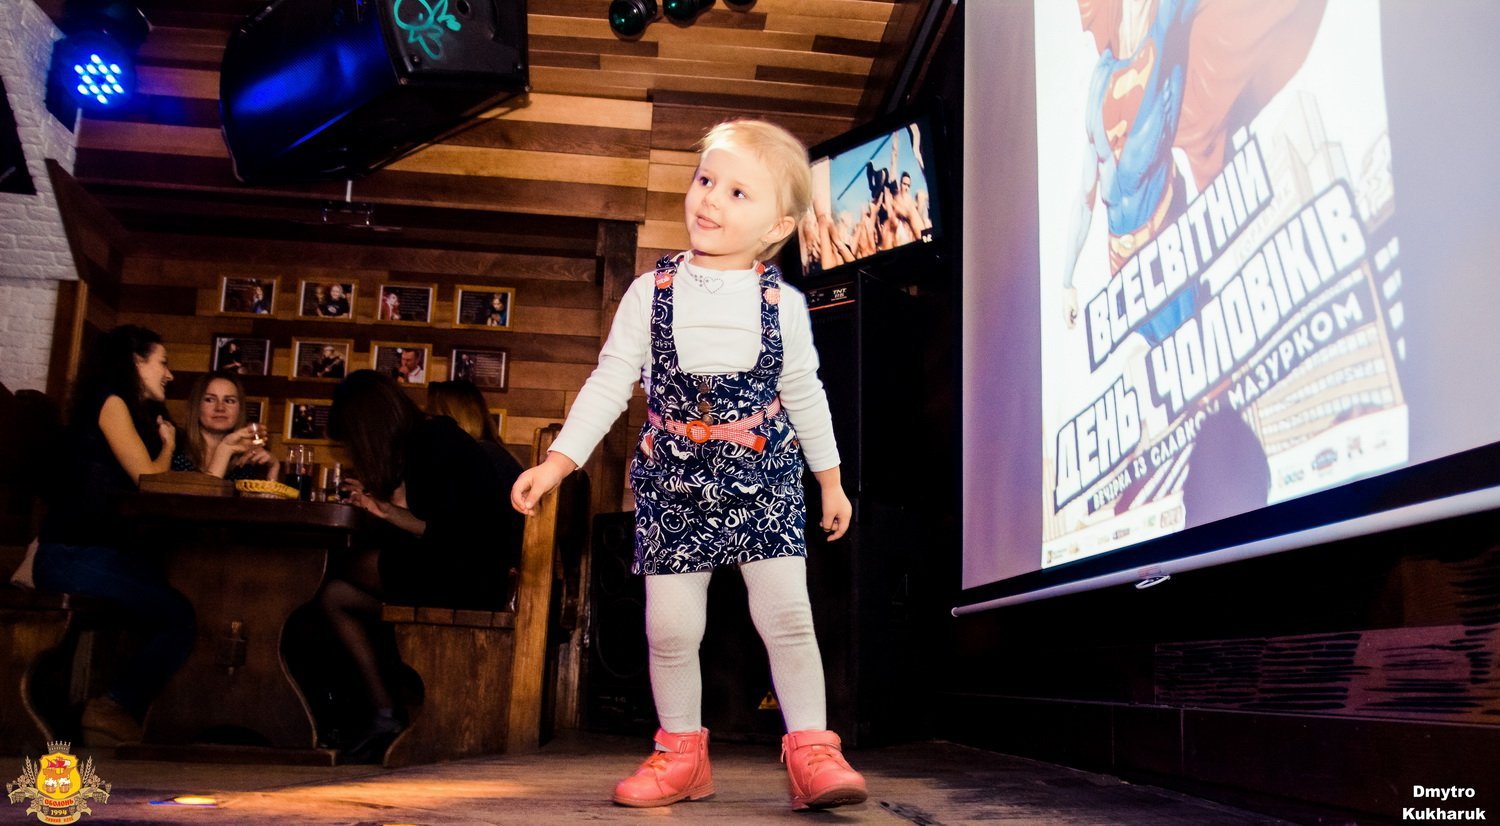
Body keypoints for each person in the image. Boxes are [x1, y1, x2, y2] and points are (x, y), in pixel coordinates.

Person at [511, 119, 867, 811]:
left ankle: (814, 753)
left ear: (777, 227)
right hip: (674, 483)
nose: (710, 199)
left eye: (738, 192)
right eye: (706, 180)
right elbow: (610, 383)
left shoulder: (783, 303)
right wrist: (557, 464)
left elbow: (804, 393)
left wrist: (830, 480)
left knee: (788, 618)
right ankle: (680, 755)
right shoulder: (650, 293)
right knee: (670, 629)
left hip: (764, 479)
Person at [320, 370, 509, 760]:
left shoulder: (431, 442)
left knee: (341, 566)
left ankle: (371, 710)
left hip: (470, 577)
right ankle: (384, 713)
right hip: (468, 570)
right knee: (335, 595)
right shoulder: (427, 438)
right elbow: (439, 526)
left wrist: (387, 511)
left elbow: (451, 535)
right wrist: (387, 509)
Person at [32, 325, 195, 747]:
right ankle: (111, 708)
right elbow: (149, 479)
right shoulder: (111, 401)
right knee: (180, 615)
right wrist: (168, 443)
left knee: (179, 602)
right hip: (72, 556)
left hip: (88, 554)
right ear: (135, 361)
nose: (169, 374)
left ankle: (117, 711)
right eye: (162, 362)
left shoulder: (125, 408)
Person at [425, 380, 525, 601]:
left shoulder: (479, 457)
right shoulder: (494, 451)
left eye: (432, 414)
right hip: (500, 571)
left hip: (490, 578)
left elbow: (456, 528)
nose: (428, 423)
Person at [171, 372, 278, 480]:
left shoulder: (250, 454)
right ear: (196, 406)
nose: (220, 408)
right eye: (210, 399)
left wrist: (273, 468)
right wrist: (225, 449)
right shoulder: (175, 445)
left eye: (229, 401)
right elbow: (205, 490)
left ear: (240, 409)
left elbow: (261, 490)